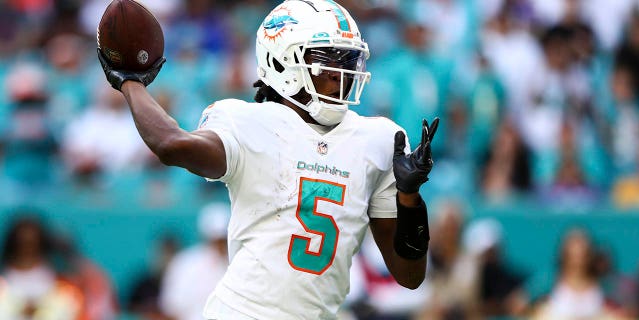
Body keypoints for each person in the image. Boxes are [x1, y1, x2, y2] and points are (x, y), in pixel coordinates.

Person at [97, 1, 438, 319]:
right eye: (326, 61)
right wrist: (131, 82)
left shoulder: (379, 139)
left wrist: (410, 200)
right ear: (281, 63)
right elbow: (170, 144)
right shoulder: (246, 122)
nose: (341, 73)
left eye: (347, 61)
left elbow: (409, 276)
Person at [160, 202, 230, 320]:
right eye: (215, 239)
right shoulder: (185, 263)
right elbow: (171, 308)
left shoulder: (242, 263)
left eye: (223, 239)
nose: (220, 244)